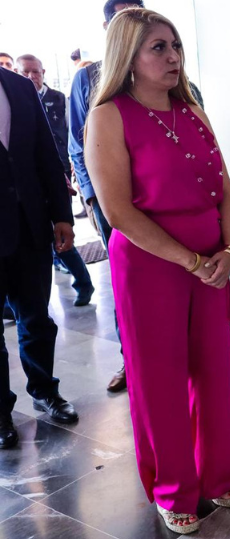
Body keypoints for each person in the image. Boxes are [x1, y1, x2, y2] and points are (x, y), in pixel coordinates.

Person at [85, 7, 230, 535]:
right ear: (128, 56)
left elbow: (225, 188)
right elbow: (118, 213)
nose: (173, 56)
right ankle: (173, 488)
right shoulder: (109, 115)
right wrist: (192, 261)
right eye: (159, 47)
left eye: (175, 46)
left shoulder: (191, 108)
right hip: (152, 266)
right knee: (160, 381)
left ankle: (220, 474)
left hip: (211, 264)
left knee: (214, 373)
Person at [0, 65, 81, 450]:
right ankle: (0, 411)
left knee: (36, 319)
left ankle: (45, 390)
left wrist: (62, 215)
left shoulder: (18, 86)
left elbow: (47, 157)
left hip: (30, 226)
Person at [70, 0, 146, 393]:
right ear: (107, 28)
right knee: (126, 283)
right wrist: (96, 200)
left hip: (161, 203)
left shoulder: (164, 70)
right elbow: (77, 145)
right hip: (112, 205)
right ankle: (129, 360)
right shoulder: (89, 81)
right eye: (122, 18)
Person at [16, 54, 94, 307]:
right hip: (30, 182)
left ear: (43, 71)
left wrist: (69, 172)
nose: (30, 77)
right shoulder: (17, 100)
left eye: (34, 71)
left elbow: (71, 136)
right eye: (24, 72)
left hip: (57, 176)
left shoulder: (59, 99)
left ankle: (83, 283)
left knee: (60, 235)